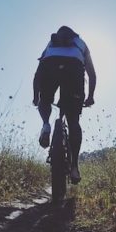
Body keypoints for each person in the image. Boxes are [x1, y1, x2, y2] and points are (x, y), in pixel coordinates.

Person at [33, 26, 96, 183]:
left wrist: (36, 97)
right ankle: (74, 167)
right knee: (73, 121)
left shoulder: (51, 44)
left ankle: (46, 125)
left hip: (49, 67)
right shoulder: (81, 43)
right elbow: (92, 74)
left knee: (45, 100)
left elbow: (38, 73)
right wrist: (90, 97)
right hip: (73, 70)